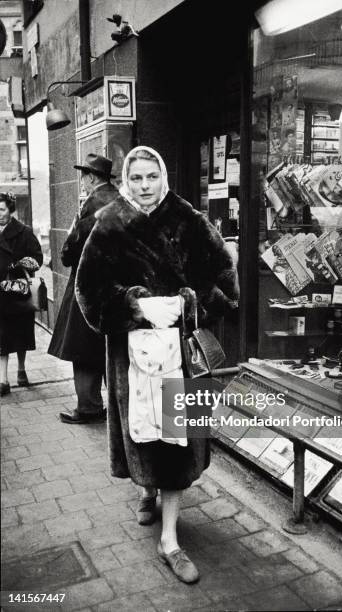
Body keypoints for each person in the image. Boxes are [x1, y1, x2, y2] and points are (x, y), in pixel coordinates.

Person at [75, 146, 239, 583]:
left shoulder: (186, 217)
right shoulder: (108, 222)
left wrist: (187, 303)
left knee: (173, 440)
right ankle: (145, 490)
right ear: (127, 180)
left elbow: (222, 279)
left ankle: (171, 540)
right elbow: (88, 291)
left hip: (176, 352)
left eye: (152, 177)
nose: (145, 186)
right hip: (129, 354)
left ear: (162, 176)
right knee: (143, 434)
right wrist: (133, 305)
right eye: (138, 178)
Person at [48, 154, 118, 424]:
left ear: (90, 177)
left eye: (84, 177)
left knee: (84, 350)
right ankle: (119, 408)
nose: (83, 182)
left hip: (89, 288)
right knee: (112, 350)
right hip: (116, 289)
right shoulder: (123, 201)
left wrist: (66, 251)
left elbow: (71, 249)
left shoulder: (91, 205)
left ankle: (89, 407)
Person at [0, 192, 43, 396]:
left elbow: (37, 258)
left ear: (10, 210)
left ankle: (21, 368)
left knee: (21, 333)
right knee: (2, 337)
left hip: (19, 292)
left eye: (1, 210)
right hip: (1, 293)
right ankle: (3, 380)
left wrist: (21, 264)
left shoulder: (24, 232)